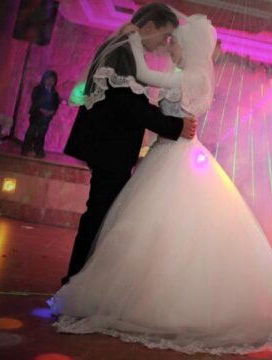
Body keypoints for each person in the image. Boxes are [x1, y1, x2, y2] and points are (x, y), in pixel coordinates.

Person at [49, 12, 272, 355]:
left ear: (190, 47)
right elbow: (146, 97)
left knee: (161, 227)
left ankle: (148, 297)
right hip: (164, 152)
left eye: (175, 43)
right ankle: (126, 289)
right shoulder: (187, 74)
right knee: (143, 227)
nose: (169, 48)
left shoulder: (192, 76)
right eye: (169, 41)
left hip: (175, 155)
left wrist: (132, 40)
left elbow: (143, 77)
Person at [60, 3, 197, 285]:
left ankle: (83, 280)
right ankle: (76, 282)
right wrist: (174, 126)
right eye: (165, 35)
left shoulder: (125, 48)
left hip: (109, 147)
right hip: (109, 148)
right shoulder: (123, 51)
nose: (164, 43)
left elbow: (132, 101)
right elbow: (129, 105)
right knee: (98, 215)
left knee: (102, 214)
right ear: (150, 27)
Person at [21, 70, 60, 158]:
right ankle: (26, 148)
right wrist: (43, 110)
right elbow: (35, 101)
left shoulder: (55, 93)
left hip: (47, 117)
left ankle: (38, 150)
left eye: (52, 80)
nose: (50, 81)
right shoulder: (37, 89)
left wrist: (52, 112)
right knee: (31, 132)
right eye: (48, 79)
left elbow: (56, 105)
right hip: (36, 115)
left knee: (42, 134)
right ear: (44, 79)